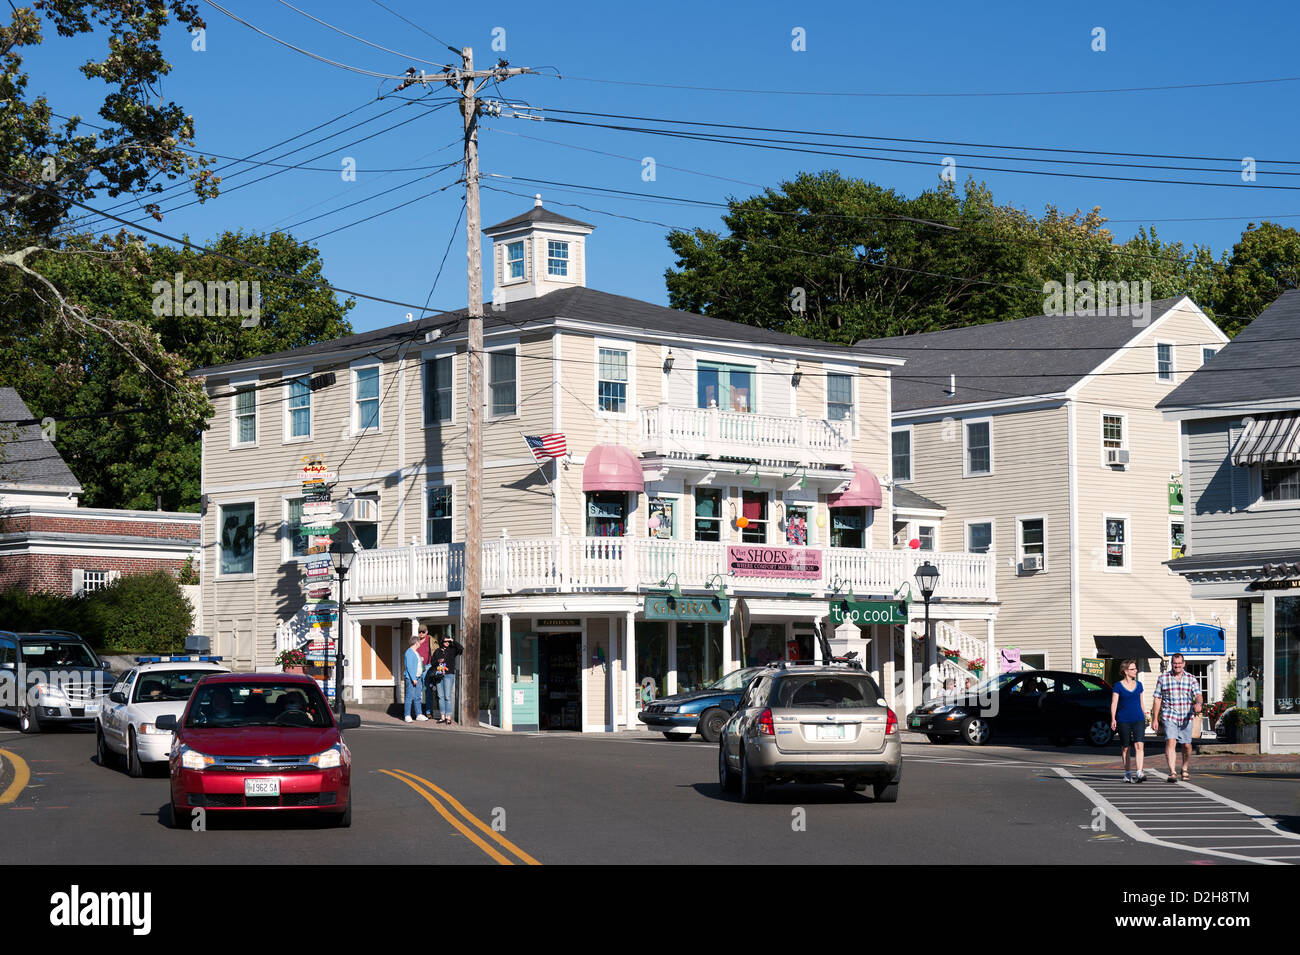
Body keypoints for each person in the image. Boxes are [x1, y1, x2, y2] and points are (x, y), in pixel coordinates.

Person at [1152, 653, 1203, 783]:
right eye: (1175, 663)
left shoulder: (1191, 678)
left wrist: (1198, 703)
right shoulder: (1163, 678)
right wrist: (1154, 718)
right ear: (1171, 663)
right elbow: (1157, 698)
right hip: (1170, 715)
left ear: (1184, 664)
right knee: (1170, 741)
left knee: (1186, 745)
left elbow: (1198, 694)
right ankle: (1172, 772)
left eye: (1179, 663)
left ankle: (1184, 767)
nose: (1177, 665)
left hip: (1186, 716)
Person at [1110, 660, 1147, 782]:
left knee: (1139, 744)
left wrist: (1145, 715)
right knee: (1126, 747)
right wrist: (1113, 718)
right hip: (1123, 720)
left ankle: (1139, 772)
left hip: (1138, 719)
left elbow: (1141, 702)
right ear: (1125, 671)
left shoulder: (1139, 685)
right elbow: (1114, 703)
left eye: (1136, 668)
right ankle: (1127, 774)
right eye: (1133, 669)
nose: (1136, 670)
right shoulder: (1118, 686)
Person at [431, 632, 463, 724]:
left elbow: (461, 648)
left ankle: (448, 717)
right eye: (445, 641)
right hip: (439, 675)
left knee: (447, 697)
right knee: (440, 696)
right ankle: (442, 716)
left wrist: (453, 640)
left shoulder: (452, 650)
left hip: (449, 675)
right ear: (442, 641)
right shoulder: (437, 651)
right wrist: (438, 661)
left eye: (448, 641)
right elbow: (432, 663)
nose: (447, 643)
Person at [403, 635, 428, 723]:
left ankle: (419, 714)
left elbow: (416, 663)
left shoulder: (416, 652)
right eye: (419, 641)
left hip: (418, 677)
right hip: (411, 678)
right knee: (409, 697)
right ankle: (407, 715)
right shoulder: (409, 652)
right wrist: (413, 678)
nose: (420, 643)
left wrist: (420, 660)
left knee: (417, 697)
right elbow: (409, 667)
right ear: (415, 642)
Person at [415, 623, 433, 711]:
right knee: (417, 691)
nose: (421, 633)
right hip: (418, 668)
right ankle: (418, 712)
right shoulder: (416, 641)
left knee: (427, 690)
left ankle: (428, 711)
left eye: (423, 632)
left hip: (428, 667)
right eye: (419, 632)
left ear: (427, 632)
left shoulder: (431, 640)